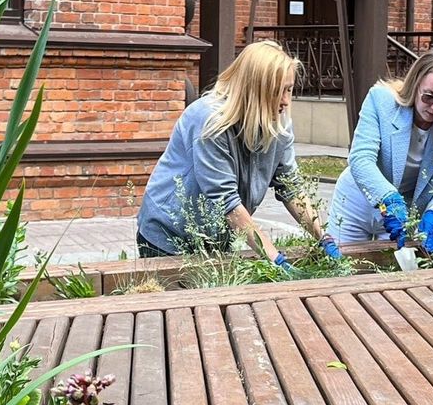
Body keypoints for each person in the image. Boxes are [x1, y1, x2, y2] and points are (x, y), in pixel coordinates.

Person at [136, 40, 339, 267]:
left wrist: (323, 236)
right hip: (169, 236)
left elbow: (289, 186)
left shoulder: (278, 123)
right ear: (254, 89)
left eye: (289, 89)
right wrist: (276, 259)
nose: (285, 101)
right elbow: (227, 202)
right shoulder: (209, 121)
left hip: (217, 237)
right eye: (277, 91)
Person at [327, 47, 433, 253]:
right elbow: (360, 158)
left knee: (395, 274)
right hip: (357, 201)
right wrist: (387, 197)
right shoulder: (381, 101)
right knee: (343, 268)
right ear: (415, 84)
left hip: (404, 213)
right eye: (429, 96)